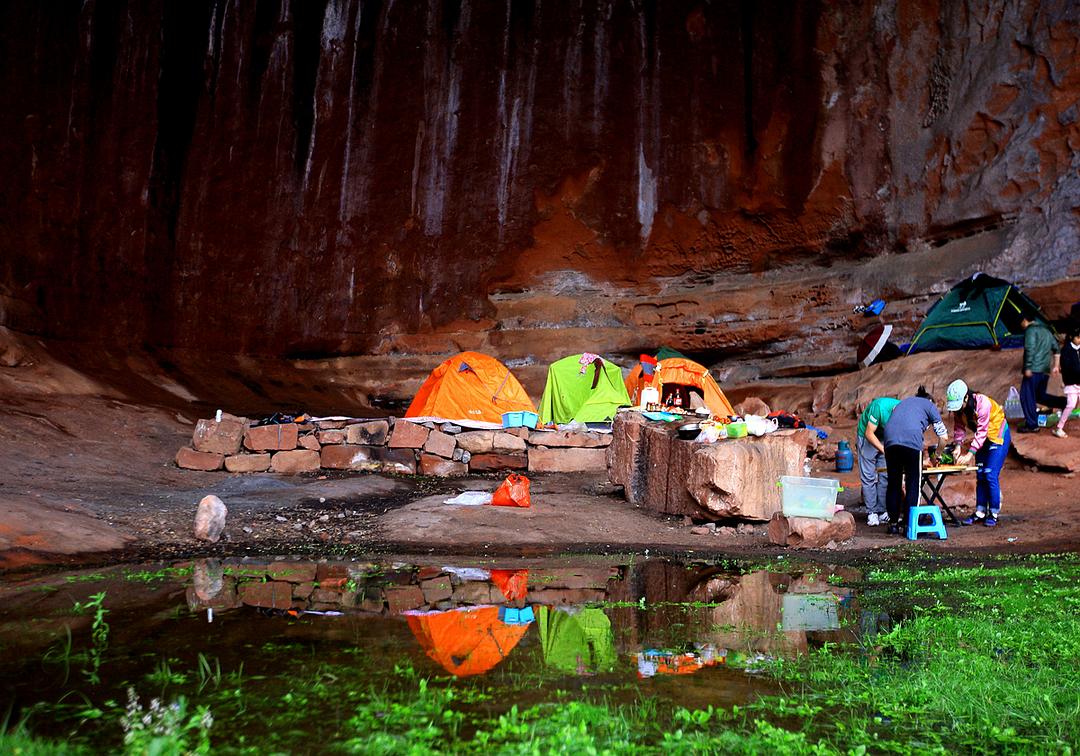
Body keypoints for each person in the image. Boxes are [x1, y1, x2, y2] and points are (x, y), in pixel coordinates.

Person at [882, 387, 949, 536]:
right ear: (930, 400)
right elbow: (944, 437)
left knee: (894, 483)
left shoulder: (902, 403)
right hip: (911, 441)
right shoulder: (930, 405)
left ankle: (893, 524)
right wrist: (936, 455)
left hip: (890, 441)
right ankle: (909, 525)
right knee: (913, 483)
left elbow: (897, 423)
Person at [945, 380, 1010, 527]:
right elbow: (959, 428)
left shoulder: (983, 403)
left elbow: (982, 432)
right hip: (984, 440)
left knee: (990, 474)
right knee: (980, 474)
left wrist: (969, 454)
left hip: (997, 436)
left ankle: (993, 512)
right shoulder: (959, 410)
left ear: (966, 398)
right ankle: (980, 511)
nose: (956, 409)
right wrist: (957, 446)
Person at [856, 396, 900, 526]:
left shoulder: (904, 411)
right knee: (869, 475)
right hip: (867, 434)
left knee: (886, 474)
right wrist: (884, 450)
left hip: (885, 436)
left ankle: (882, 511)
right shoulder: (879, 408)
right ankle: (872, 512)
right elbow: (870, 434)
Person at [1018, 315, 1064, 432]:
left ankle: (1032, 425)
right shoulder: (1046, 330)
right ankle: (1065, 403)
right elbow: (1056, 348)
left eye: (1021, 322)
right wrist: (1056, 365)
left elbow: (1030, 348)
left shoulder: (1030, 330)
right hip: (1044, 370)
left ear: (1025, 320)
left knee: (1026, 396)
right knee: (1040, 395)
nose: (1021, 326)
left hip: (1033, 369)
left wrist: (1027, 367)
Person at [1053, 328, 1080, 438]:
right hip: (1071, 383)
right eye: (1078, 337)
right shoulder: (1066, 350)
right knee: (1071, 405)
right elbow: (1067, 368)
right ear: (1071, 337)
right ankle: (1059, 428)